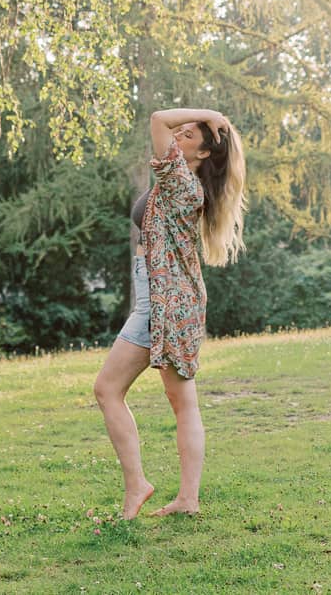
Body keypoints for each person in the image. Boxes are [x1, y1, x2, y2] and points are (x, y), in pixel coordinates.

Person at [92, 105, 246, 519]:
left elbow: (159, 117)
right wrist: (208, 123)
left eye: (190, 136)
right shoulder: (185, 183)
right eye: (182, 132)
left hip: (161, 303)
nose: (178, 135)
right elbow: (167, 125)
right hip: (171, 300)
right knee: (183, 404)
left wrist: (213, 114)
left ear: (203, 156)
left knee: (107, 390)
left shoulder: (181, 180)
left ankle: (137, 486)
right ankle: (187, 500)